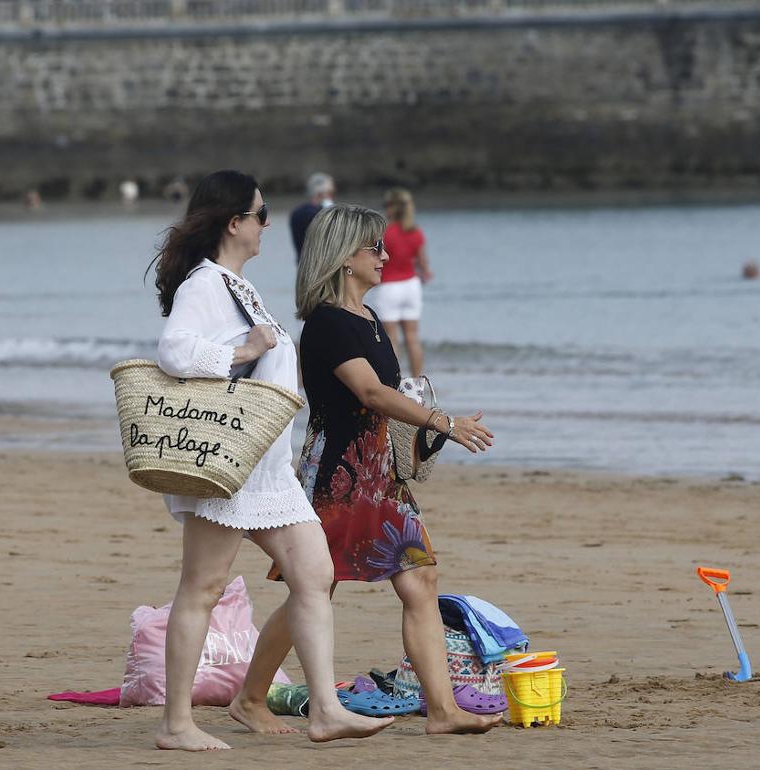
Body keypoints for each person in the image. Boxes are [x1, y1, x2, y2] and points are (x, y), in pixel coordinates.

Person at [234, 202, 502, 735]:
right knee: (314, 589)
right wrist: (443, 421)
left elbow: (388, 395)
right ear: (342, 259)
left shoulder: (370, 318)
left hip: (383, 475)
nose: (385, 256)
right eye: (373, 248)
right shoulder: (328, 324)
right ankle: (249, 698)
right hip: (338, 475)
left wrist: (423, 433)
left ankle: (444, 711)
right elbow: (370, 392)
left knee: (420, 579)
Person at [149, 170, 393, 750]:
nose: (267, 223)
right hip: (226, 463)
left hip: (267, 467)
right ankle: (176, 725)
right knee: (202, 587)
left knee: (315, 574)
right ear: (235, 223)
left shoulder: (237, 284)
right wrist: (245, 350)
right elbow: (175, 350)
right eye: (260, 214)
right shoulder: (205, 284)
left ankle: (326, 710)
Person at [366, 187, 432, 377]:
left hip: (390, 287)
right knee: (412, 337)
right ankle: (418, 381)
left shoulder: (386, 232)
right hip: (411, 285)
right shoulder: (416, 232)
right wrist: (425, 273)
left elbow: (377, 259)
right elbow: (423, 265)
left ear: (392, 208)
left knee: (392, 338)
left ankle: (396, 380)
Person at [289, 172, 335, 260]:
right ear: (321, 193)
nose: (332, 197)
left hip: (303, 265)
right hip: (317, 266)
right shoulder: (314, 214)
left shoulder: (297, 212)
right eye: (330, 193)